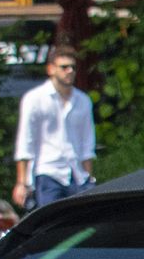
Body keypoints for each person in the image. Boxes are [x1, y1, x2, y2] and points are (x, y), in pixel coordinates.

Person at [12, 46, 96, 209]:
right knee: (52, 225)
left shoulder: (83, 100)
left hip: (77, 175)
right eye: (64, 67)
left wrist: (89, 178)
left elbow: (87, 143)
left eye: (73, 67)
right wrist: (22, 183)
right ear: (51, 69)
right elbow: (25, 141)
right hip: (48, 172)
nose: (70, 71)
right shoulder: (34, 99)